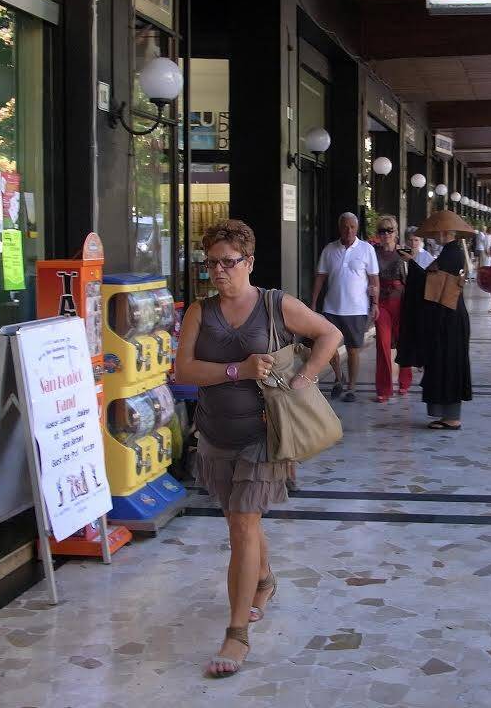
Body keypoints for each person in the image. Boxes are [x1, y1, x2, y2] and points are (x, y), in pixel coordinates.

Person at [175, 220, 343, 678]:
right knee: (238, 520)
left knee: (243, 526)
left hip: (263, 436)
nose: (218, 271)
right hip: (214, 435)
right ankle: (264, 580)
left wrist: (305, 378)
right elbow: (184, 371)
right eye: (211, 262)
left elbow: (330, 334)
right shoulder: (200, 311)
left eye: (228, 262)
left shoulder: (274, 305)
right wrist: (238, 370)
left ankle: (237, 634)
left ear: (248, 262)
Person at [397, 209, 473, 430]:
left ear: (444, 232)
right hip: (449, 317)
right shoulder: (453, 251)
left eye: (437, 232)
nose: (435, 236)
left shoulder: (451, 253)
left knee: (447, 365)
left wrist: (411, 263)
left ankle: (451, 417)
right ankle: (446, 415)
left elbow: (430, 284)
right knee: (444, 364)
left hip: (449, 320)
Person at [311, 213, 380, 402]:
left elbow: (374, 280)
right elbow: (320, 278)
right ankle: (338, 377)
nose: (348, 230)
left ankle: (352, 388)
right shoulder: (329, 250)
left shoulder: (366, 249)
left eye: (352, 227)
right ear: (339, 228)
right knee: (328, 347)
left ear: (357, 228)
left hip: (357, 310)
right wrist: (314, 303)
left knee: (353, 350)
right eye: (345, 227)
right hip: (331, 308)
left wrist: (375, 304)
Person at [373, 215, 413, 403]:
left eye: (389, 230)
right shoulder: (373, 252)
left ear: (396, 232)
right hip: (380, 302)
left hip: (400, 302)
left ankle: (405, 381)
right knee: (382, 344)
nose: (386, 234)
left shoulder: (404, 251)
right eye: (382, 231)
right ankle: (384, 388)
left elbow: (414, 275)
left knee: (403, 341)